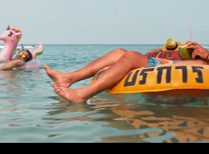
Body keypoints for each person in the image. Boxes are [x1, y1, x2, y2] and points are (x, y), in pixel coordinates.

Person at [44, 41, 209, 103]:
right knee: (118, 52)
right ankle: (68, 78)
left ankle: (82, 94)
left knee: (130, 56)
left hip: (173, 69)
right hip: (167, 64)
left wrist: (206, 55)